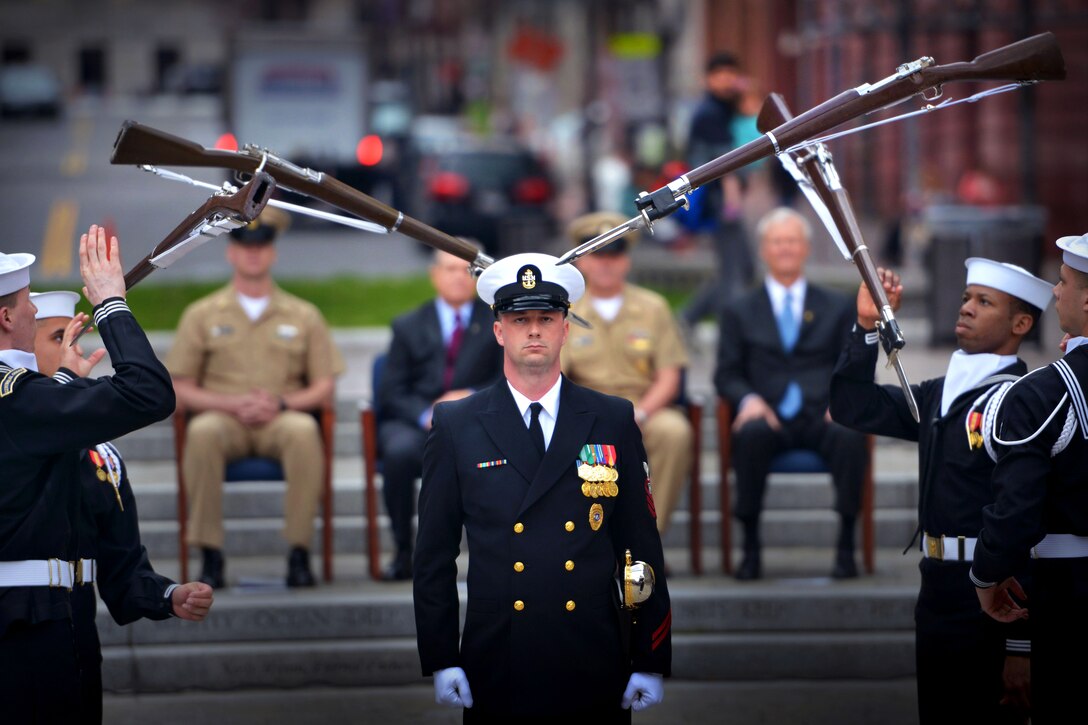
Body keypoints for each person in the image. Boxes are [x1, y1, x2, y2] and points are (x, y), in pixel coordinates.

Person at [413, 252, 672, 722]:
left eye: (546, 318)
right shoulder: (457, 424)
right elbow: (433, 555)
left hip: (593, 649)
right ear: (498, 331)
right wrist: (441, 655)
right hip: (498, 650)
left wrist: (650, 656)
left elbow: (639, 550)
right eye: (519, 319)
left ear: (565, 329)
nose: (533, 330)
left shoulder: (611, 418)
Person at [830, 259, 1054, 724]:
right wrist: (866, 326)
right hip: (936, 590)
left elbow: (1025, 525)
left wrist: (1021, 646)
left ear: (1021, 323)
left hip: (993, 598)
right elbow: (853, 406)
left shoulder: (1019, 400)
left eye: (984, 302)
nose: (967, 308)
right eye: (967, 297)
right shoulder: (941, 394)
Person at [0, 227, 176, 721]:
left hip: (49, 615)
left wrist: (61, 386)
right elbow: (149, 393)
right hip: (27, 627)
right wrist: (111, 304)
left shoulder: (23, 401)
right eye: (25, 304)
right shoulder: (19, 400)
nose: (34, 311)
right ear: (7, 316)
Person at [31, 290, 214, 724]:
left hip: (74, 634)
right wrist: (63, 389)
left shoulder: (101, 457)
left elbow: (121, 567)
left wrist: (168, 595)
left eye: (75, 339)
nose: (73, 352)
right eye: (59, 338)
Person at [166, 208, 344, 589]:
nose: (253, 252)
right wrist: (229, 404)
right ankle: (210, 555)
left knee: (302, 432)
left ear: (273, 252)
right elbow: (179, 387)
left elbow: (324, 386)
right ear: (231, 251)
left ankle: (299, 552)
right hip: (223, 417)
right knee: (202, 434)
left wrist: (281, 405)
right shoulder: (201, 314)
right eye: (245, 245)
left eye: (262, 245)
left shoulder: (303, 314)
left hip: (280, 417)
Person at [714, 207, 867, 580]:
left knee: (851, 434)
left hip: (821, 413)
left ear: (805, 249)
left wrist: (840, 401)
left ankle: (847, 546)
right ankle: (750, 549)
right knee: (748, 435)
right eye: (777, 242)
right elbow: (726, 373)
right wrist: (748, 401)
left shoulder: (835, 304)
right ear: (764, 249)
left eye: (792, 241)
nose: (785, 249)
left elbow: (850, 363)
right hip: (766, 415)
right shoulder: (738, 309)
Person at [972, 233, 1088, 723]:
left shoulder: (1045, 392)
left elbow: (1016, 509)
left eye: (1063, 282)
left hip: (1071, 591)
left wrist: (986, 575)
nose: (1056, 292)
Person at [560, 211, 693, 537]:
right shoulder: (563, 310)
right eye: (596, 254)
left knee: (674, 432)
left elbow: (669, 375)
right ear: (582, 262)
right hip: (586, 412)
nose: (606, 263)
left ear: (626, 261)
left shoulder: (653, 307)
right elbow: (556, 377)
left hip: (642, 411)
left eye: (614, 254)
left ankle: (647, 543)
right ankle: (593, 545)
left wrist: (643, 413)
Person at [377, 247, 503, 580]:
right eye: (450, 268)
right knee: (399, 452)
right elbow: (391, 390)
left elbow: (505, 378)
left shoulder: (497, 323)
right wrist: (426, 414)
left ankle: (497, 556)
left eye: (467, 270)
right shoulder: (407, 325)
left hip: (478, 422)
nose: (458, 277)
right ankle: (404, 551)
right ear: (434, 275)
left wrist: (471, 397)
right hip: (418, 425)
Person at [679, 51, 755, 327]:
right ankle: (724, 330)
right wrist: (732, 201)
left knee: (740, 268)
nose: (727, 80)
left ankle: (687, 318)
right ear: (707, 79)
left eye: (731, 74)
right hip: (720, 199)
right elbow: (725, 162)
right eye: (720, 74)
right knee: (734, 272)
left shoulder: (723, 108)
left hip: (722, 198)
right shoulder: (710, 112)